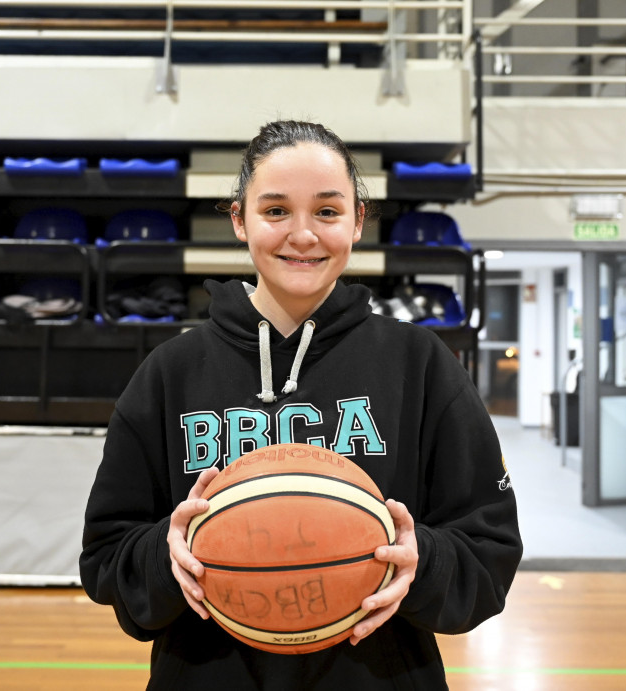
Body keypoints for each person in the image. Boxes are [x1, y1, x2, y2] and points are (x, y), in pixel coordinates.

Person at [80, 120, 523, 690]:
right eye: (275, 211)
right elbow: (106, 557)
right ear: (240, 219)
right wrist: (168, 555)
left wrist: (424, 562)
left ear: (358, 222)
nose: (303, 234)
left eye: (328, 211)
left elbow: (489, 552)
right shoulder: (171, 372)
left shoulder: (420, 363)